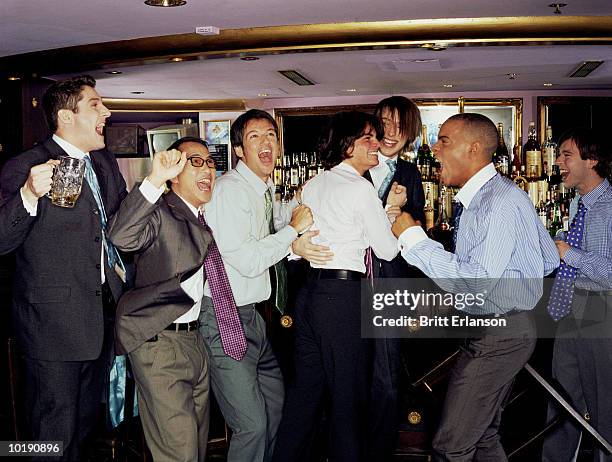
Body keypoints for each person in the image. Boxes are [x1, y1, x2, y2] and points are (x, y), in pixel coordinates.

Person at [391, 113, 559, 461]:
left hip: (499, 336)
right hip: (505, 328)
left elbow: (475, 281)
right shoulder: (497, 196)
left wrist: (412, 238)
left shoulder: (496, 203)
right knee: (482, 436)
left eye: (444, 141)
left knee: (450, 445)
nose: (434, 149)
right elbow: (546, 260)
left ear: (474, 149)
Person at [0, 75, 127, 461]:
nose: (106, 112)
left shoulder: (104, 164)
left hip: (100, 319)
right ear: (65, 117)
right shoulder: (24, 166)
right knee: (50, 434)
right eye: (95, 105)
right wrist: (27, 195)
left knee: (84, 427)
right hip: (51, 327)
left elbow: (120, 226)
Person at [273, 110, 406, 462]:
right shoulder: (361, 189)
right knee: (348, 399)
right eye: (368, 138)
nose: (377, 143)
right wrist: (392, 213)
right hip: (344, 298)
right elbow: (387, 249)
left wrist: (380, 215)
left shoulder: (314, 183)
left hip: (311, 296)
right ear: (347, 145)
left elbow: (308, 235)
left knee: (304, 396)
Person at [201, 109, 328, 462]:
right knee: (253, 425)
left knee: (276, 408)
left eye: (271, 134)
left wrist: (292, 246)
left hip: (254, 317)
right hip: (225, 318)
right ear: (239, 150)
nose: (266, 142)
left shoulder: (262, 189)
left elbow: (261, 248)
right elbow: (247, 259)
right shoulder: (231, 191)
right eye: (254, 136)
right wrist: (292, 233)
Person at [107, 137, 216, 461]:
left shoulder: (201, 217)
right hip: (160, 344)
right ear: (175, 173)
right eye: (195, 162)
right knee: (179, 453)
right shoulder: (161, 211)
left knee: (195, 448)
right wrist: (154, 180)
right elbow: (120, 236)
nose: (207, 168)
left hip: (195, 341)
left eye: (209, 162)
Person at [541, 128, 612, 462]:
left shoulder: (609, 207)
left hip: (602, 308)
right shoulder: (577, 204)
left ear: (592, 160)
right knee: (562, 399)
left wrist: (568, 253)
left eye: (566, 155)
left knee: (604, 403)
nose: (558, 162)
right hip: (573, 304)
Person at [366, 95, 425, 460]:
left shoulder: (410, 175)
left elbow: (415, 230)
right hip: (348, 282)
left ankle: (379, 450)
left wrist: (402, 215)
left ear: (411, 134)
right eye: (385, 122)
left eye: (401, 126)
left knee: (386, 376)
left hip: (391, 284)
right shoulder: (353, 165)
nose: (391, 132)